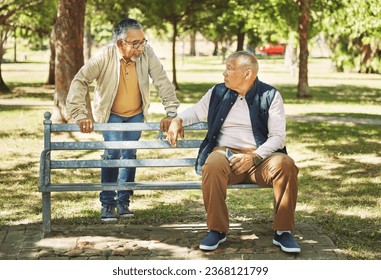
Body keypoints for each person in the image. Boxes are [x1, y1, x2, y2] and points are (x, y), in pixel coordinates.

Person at [167, 51, 300, 253]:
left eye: (230, 68)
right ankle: (217, 230)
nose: (224, 73)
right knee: (211, 164)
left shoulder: (270, 96)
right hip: (226, 157)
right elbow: (195, 112)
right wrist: (177, 120)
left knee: (286, 164)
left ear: (247, 74)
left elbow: (277, 137)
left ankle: (283, 231)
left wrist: (254, 157)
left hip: (261, 158)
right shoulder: (217, 93)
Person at [66, 18, 180, 222]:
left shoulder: (147, 52)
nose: (140, 47)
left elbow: (161, 80)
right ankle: (108, 203)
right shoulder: (105, 55)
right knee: (113, 153)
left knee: (129, 154)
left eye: (143, 41)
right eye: (135, 43)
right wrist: (80, 114)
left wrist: (171, 112)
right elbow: (80, 79)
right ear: (120, 43)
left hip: (136, 113)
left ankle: (124, 201)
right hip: (112, 114)